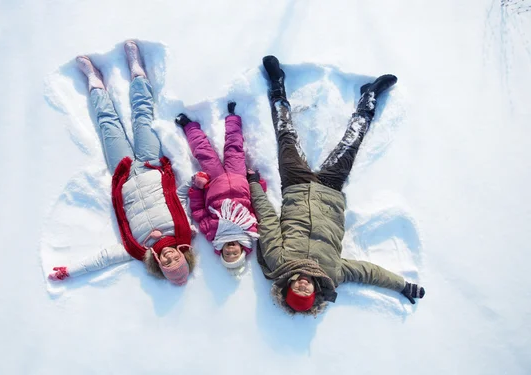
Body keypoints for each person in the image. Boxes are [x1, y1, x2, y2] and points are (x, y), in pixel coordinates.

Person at [249, 55, 425, 314]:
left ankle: (278, 86)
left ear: (288, 287)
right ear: (314, 293)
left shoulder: (278, 262)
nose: (303, 285)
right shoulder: (332, 272)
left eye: (296, 289)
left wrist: (254, 185)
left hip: (296, 186)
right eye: (306, 292)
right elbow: (368, 273)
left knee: (286, 135)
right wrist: (402, 286)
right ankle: (369, 97)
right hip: (330, 191)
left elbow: (268, 221)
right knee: (351, 142)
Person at [48, 40, 196, 286]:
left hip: (124, 173)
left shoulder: (137, 249)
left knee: (108, 124)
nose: (170, 257)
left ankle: (95, 83)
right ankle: (137, 71)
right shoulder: (183, 230)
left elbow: (104, 258)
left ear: (160, 264)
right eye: (177, 259)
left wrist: (71, 271)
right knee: (142, 116)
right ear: (183, 255)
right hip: (150, 165)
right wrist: (195, 182)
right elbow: (180, 197)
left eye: (168, 263)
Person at [174, 103, 264, 276]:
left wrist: (198, 188)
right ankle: (233, 118)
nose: (230, 251)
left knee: (204, 153)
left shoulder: (212, 232)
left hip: (213, 182)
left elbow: (198, 210)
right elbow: (255, 204)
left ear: (220, 251)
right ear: (242, 249)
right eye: (235, 254)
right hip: (239, 179)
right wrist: (257, 182)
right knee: (234, 149)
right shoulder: (250, 228)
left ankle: (189, 126)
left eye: (227, 254)